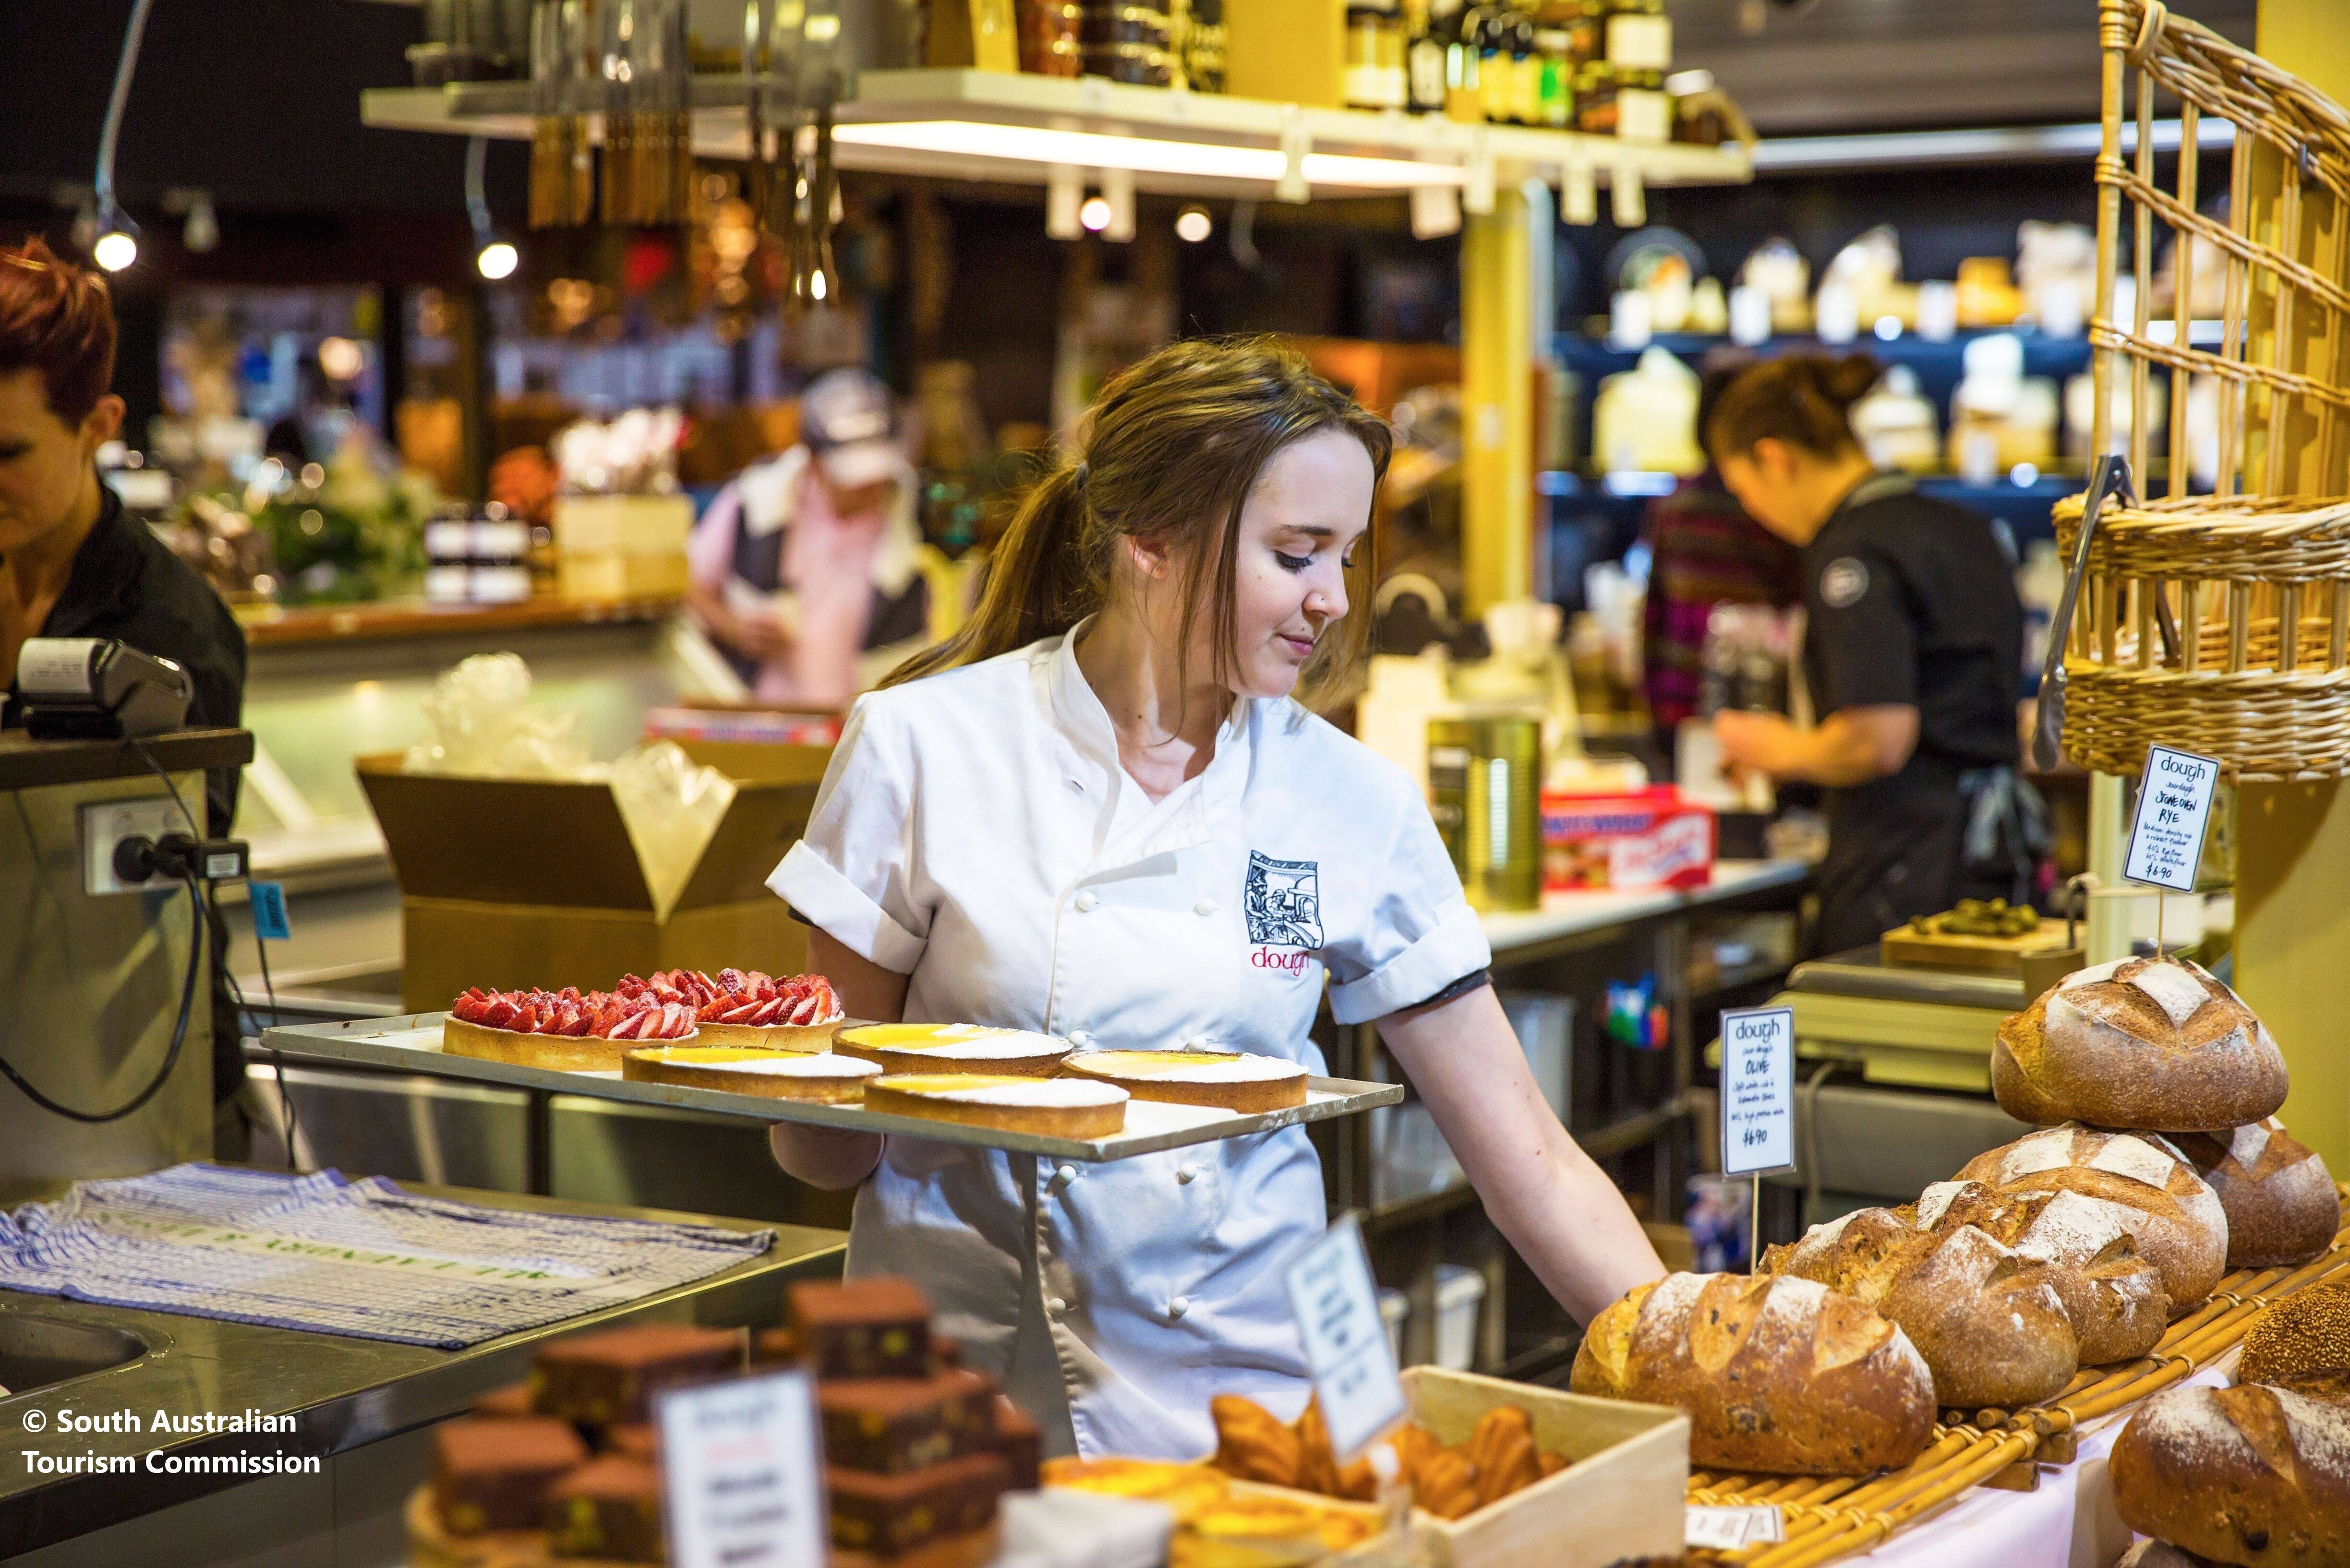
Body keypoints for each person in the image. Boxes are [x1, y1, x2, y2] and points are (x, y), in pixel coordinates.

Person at [766, 338, 1665, 1459]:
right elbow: (820, 1150)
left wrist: (1687, 1356)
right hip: (959, 1404)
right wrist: (801, 1064)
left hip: (1246, 1418)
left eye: (1345, 555)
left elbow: (1529, 1156)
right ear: (1152, 540)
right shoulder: (923, 747)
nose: (1334, 599)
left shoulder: (1350, 799)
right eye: (1297, 554)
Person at [0, 237, 249, 1135]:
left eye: (8, 452)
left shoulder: (167, 630)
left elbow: (152, 869)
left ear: (100, 424)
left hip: (133, 1078)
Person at [1704, 353, 2038, 956]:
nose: (1751, 511)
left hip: (1908, 869)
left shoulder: (1852, 553)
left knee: (1885, 1046)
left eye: (1742, 489)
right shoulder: (1960, 525)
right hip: (1997, 853)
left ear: (1774, 458)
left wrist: (1776, 749)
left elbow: (1877, 738)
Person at [686, 368, 929, 712]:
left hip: (870, 722)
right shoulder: (756, 500)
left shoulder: (919, 517)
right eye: (852, 477)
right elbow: (688, 582)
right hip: (766, 719)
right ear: (813, 461)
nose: (868, 487)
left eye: (877, 471)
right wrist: (734, 628)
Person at [1640, 352, 1802, 745]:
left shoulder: (1676, 503)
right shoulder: (1776, 503)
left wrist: (1652, 702)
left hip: (1680, 703)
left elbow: (1653, 613)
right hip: (1764, 712)